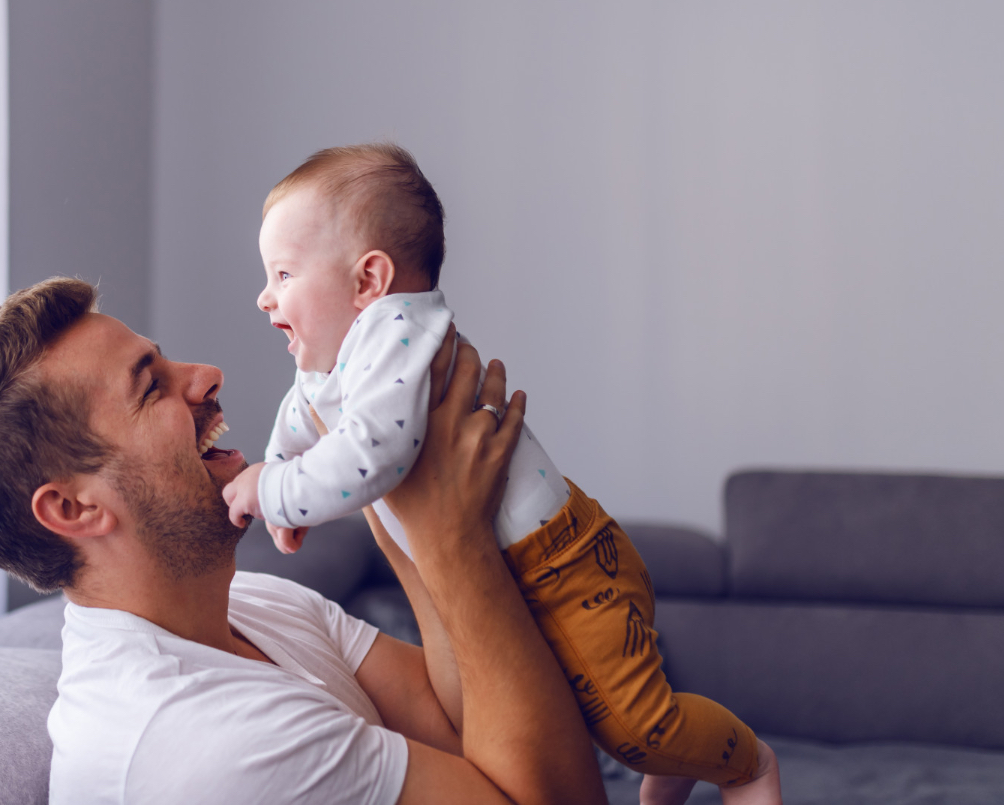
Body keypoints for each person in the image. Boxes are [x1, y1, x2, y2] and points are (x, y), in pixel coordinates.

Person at [0, 276, 608, 804]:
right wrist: (453, 540)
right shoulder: (204, 743)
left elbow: (466, 721)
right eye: (151, 388)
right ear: (73, 508)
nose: (205, 375)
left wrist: (385, 479)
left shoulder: (254, 605)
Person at [221, 144, 781, 805]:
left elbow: (370, 457)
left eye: (283, 274)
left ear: (368, 282)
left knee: (632, 728)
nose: (264, 297)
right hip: (509, 565)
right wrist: (285, 477)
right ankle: (679, 754)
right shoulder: (344, 357)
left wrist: (273, 490)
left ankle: (746, 763)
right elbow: (303, 409)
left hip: (563, 564)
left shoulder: (398, 334)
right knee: (562, 717)